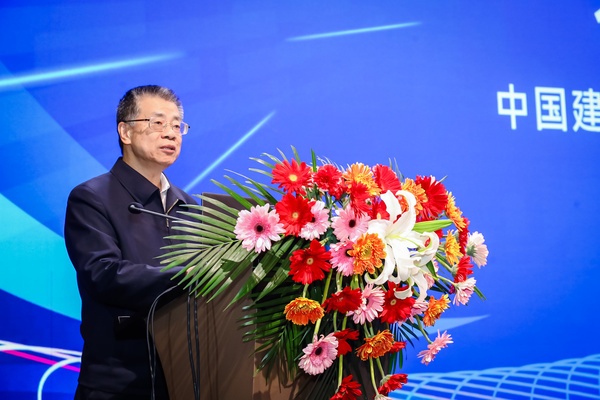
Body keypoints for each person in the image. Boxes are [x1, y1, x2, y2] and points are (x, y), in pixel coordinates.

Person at [64, 85, 197, 399]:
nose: (170, 133)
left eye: (177, 125)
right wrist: (191, 276)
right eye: (158, 122)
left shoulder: (190, 207)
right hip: (117, 382)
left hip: (184, 378)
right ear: (125, 132)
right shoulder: (91, 198)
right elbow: (104, 274)